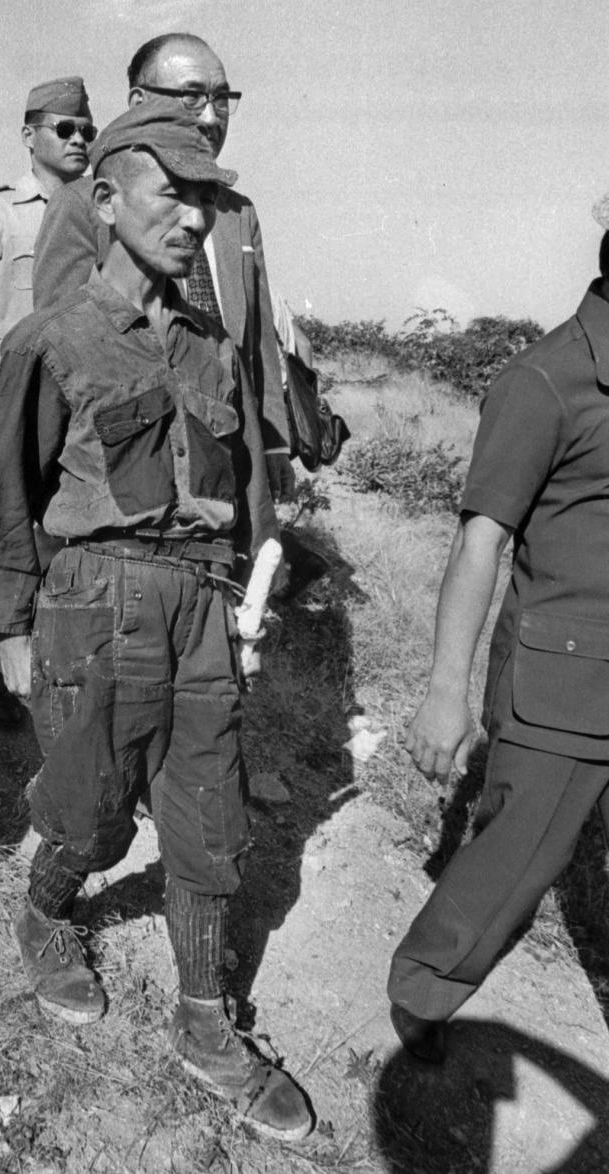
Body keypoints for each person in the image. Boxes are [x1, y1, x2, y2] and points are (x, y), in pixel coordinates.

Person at [0, 100, 313, 1142]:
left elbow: (247, 496)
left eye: (206, 199)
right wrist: (9, 632)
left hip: (200, 604)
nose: (194, 219)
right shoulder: (50, 340)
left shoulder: (212, 347)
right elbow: (8, 498)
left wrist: (255, 586)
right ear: (104, 200)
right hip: (94, 604)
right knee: (92, 806)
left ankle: (204, 1018)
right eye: (172, 195)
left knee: (209, 813)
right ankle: (47, 911)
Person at [387, 210, 609, 1065]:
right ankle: (421, 994)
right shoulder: (545, 379)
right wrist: (445, 693)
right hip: (566, 682)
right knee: (511, 867)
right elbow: (481, 538)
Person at [31, 33, 296, 504]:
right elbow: (61, 349)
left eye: (221, 100)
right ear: (138, 101)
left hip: (229, 434)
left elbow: (256, 338)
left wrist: (272, 439)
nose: (211, 117)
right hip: (131, 457)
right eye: (192, 96)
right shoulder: (83, 202)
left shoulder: (238, 212)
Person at [0, 75, 93, 725]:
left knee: (62, 537)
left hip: (79, 401)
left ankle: (43, 677)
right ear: (28, 136)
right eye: (65, 128)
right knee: (11, 531)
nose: (80, 138)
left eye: (87, 129)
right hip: (13, 400)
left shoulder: (99, 210)